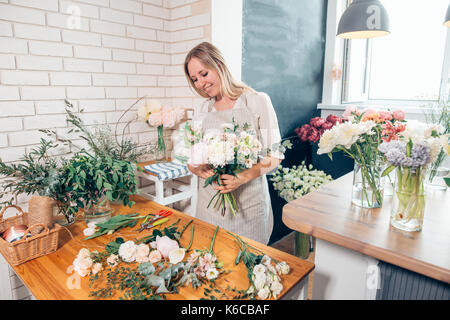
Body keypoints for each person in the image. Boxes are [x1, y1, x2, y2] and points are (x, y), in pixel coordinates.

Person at [184, 42, 284, 244]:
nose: (200, 84)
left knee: (249, 261)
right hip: (209, 206)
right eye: (194, 79)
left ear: (219, 65)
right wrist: (197, 169)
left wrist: (242, 177)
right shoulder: (203, 109)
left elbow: (275, 156)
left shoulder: (256, 101)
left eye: (204, 74)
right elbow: (190, 157)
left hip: (249, 205)